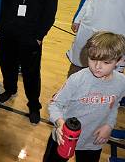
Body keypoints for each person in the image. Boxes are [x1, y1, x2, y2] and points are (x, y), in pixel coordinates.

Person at [0, 0, 58, 124]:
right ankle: (10, 89)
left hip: (31, 37)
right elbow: (5, 4)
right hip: (8, 34)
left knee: (32, 73)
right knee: (7, 65)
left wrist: (39, 36)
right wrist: (2, 28)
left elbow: (50, 11)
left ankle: (33, 105)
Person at [43, 31, 125, 162]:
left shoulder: (121, 82)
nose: (97, 67)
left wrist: (109, 125)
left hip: (93, 141)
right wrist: (60, 124)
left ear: (119, 60)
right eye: (93, 59)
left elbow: (114, 105)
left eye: (106, 62)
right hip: (63, 137)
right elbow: (55, 104)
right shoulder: (77, 79)